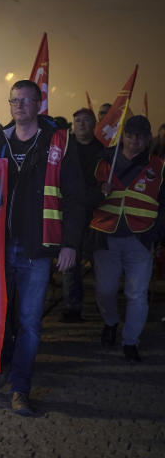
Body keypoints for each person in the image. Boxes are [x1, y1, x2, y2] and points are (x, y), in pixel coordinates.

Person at [0, 79, 84, 416]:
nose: (20, 105)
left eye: (27, 100)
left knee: (30, 322)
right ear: (9, 106)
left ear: (40, 104)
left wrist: (70, 244)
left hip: (38, 250)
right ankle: (0, 365)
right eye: (15, 100)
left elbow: (78, 199)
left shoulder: (59, 143)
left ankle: (20, 387)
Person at [88, 115, 164, 362]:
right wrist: (98, 192)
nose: (135, 141)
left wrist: (155, 234)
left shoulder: (159, 167)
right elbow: (84, 196)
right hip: (106, 236)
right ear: (123, 136)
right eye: (130, 136)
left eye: (140, 136)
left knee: (137, 294)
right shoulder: (102, 161)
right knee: (105, 290)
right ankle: (110, 322)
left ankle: (131, 340)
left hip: (141, 240)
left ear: (148, 139)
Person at [60, 108, 103, 322]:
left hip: (96, 214)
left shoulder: (103, 152)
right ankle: (72, 307)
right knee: (70, 261)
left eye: (86, 120)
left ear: (94, 124)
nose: (82, 124)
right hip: (69, 213)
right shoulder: (65, 149)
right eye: (78, 121)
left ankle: (101, 304)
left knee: (99, 262)